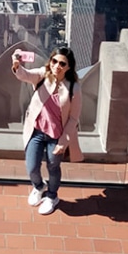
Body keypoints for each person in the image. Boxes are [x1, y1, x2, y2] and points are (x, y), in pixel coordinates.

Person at [11, 45, 82, 215]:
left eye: (62, 64)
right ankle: (39, 186)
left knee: (53, 167)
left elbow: (73, 119)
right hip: (36, 131)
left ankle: (52, 196)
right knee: (31, 167)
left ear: (69, 67)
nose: (57, 66)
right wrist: (16, 65)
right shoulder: (43, 75)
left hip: (56, 136)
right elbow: (25, 75)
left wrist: (63, 143)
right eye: (54, 61)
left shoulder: (74, 88)